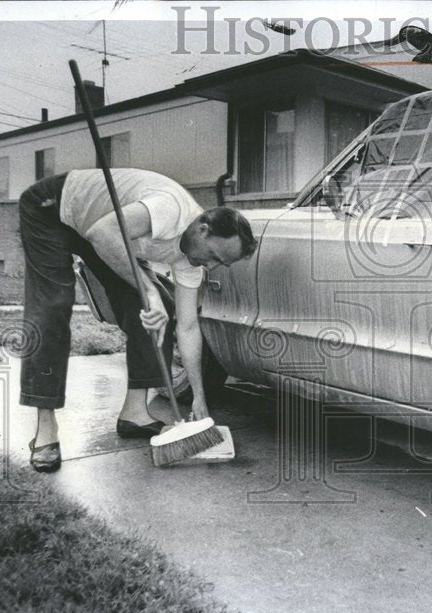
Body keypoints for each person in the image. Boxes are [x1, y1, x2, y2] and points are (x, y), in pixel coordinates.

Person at [18, 168, 257, 472]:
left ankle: (134, 413)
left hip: (102, 227)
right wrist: (148, 289)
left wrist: (199, 397)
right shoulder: (169, 208)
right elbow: (102, 233)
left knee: (159, 310)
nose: (209, 265)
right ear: (203, 229)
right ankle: (45, 428)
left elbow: (187, 326)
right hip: (53, 208)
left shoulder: (192, 259)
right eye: (212, 255)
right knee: (51, 308)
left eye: (219, 263)